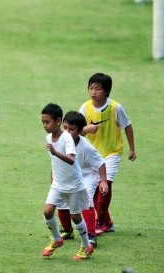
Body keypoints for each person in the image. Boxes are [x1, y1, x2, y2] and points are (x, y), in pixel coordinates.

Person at [79, 73, 137, 235]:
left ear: (106, 91)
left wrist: (132, 149)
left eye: (98, 88)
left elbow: (127, 126)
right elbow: (76, 132)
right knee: (97, 190)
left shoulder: (115, 108)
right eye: (91, 87)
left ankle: (99, 222)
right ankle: (108, 223)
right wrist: (86, 129)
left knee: (105, 185)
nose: (93, 91)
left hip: (112, 153)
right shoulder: (85, 108)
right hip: (93, 155)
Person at [40, 103, 93, 260]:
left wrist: (55, 152)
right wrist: (53, 172)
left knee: (75, 216)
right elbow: (54, 160)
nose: (44, 125)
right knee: (47, 211)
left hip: (73, 184)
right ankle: (57, 239)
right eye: (42, 122)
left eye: (47, 122)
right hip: (58, 183)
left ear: (58, 121)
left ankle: (86, 246)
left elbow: (70, 159)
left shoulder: (67, 138)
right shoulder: (49, 137)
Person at [56, 111, 109, 248]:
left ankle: (91, 235)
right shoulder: (61, 141)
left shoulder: (86, 147)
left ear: (80, 131)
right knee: (61, 201)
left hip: (87, 175)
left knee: (86, 202)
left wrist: (103, 181)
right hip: (70, 175)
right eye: (65, 128)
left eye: (71, 129)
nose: (67, 132)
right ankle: (67, 230)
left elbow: (101, 163)